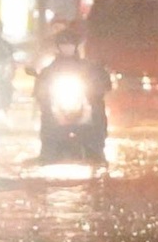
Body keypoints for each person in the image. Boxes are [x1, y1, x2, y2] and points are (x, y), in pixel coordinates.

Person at [34, 26, 112, 163]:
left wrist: (99, 86)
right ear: (58, 47)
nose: (67, 48)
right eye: (63, 44)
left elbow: (102, 81)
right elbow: (41, 87)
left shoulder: (88, 67)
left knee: (97, 110)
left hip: (82, 103)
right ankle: (47, 150)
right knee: (47, 113)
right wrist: (41, 92)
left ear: (75, 46)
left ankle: (97, 148)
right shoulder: (50, 69)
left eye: (70, 44)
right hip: (58, 106)